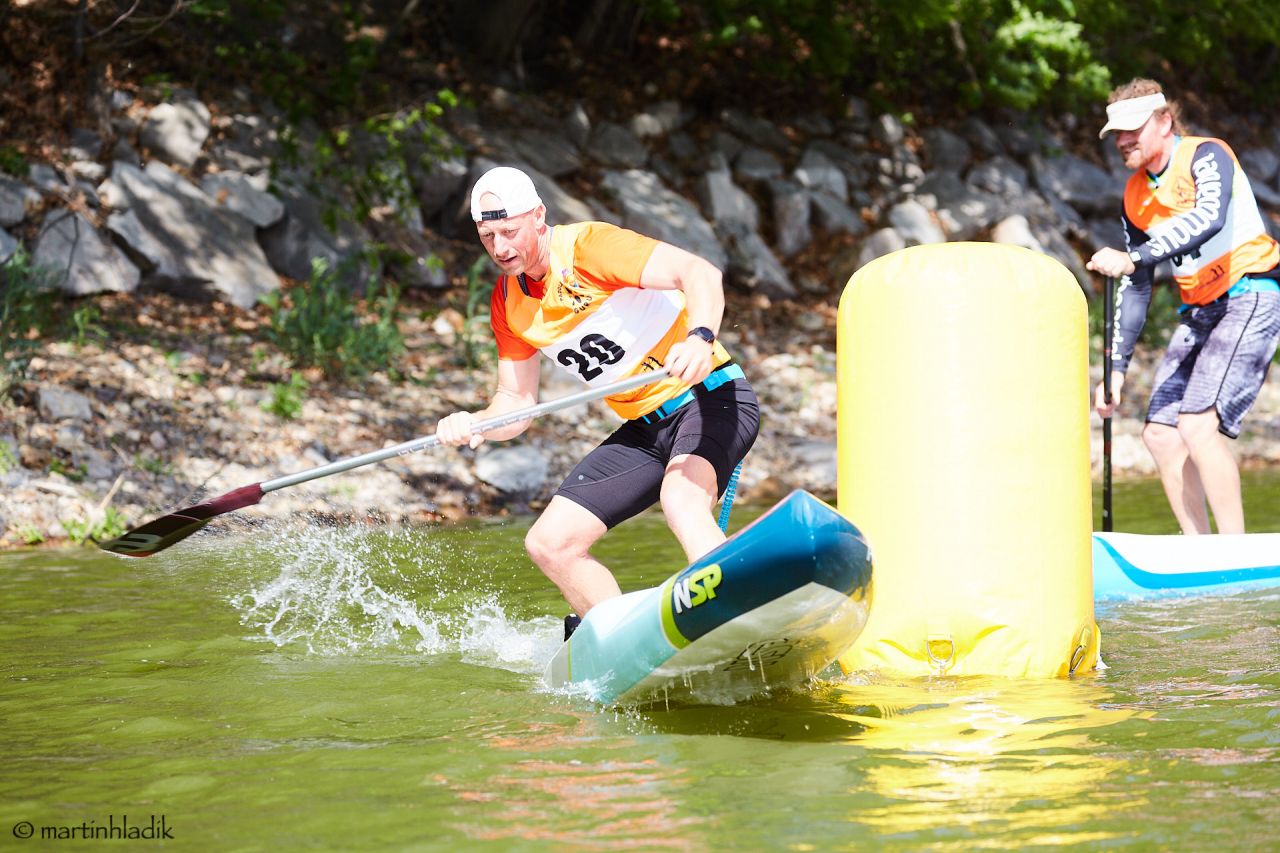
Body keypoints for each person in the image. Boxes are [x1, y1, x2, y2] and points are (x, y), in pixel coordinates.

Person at [435, 166, 760, 634]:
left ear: (539, 216)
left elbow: (699, 271)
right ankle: (621, 641)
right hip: (646, 429)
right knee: (550, 543)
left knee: (681, 499)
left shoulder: (589, 247)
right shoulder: (507, 302)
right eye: (488, 236)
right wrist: (476, 422)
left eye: (509, 231)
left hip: (709, 397)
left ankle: (738, 616)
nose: (501, 248)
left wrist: (701, 336)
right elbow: (516, 402)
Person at [1087, 78, 1280, 534]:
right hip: (1201, 313)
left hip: (1250, 293)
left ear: (1165, 121)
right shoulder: (1135, 195)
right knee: (1159, 433)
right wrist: (1115, 370)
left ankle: (1234, 553)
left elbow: (1208, 218)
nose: (1123, 141)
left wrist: (1133, 256)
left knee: (1196, 425)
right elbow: (1137, 286)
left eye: (1133, 128)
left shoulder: (1207, 155)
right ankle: (1200, 552)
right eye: (1116, 133)